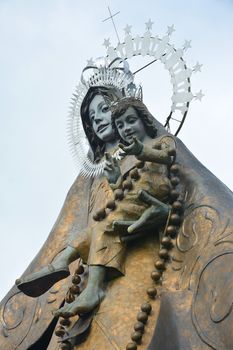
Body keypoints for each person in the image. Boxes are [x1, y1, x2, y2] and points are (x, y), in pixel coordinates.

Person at [16, 97, 174, 318]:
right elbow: (122, 190)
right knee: (90, 230)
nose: (126, 129)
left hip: (148, 200)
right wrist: (114, 179)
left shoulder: (161, 141)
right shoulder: (112, 162)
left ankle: (94, 290)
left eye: (130, 121)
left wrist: (142, 150)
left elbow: (168, 156)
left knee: (103, 226)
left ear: (144, 119)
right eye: (121, 125)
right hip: (133, 202)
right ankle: (60, 263)